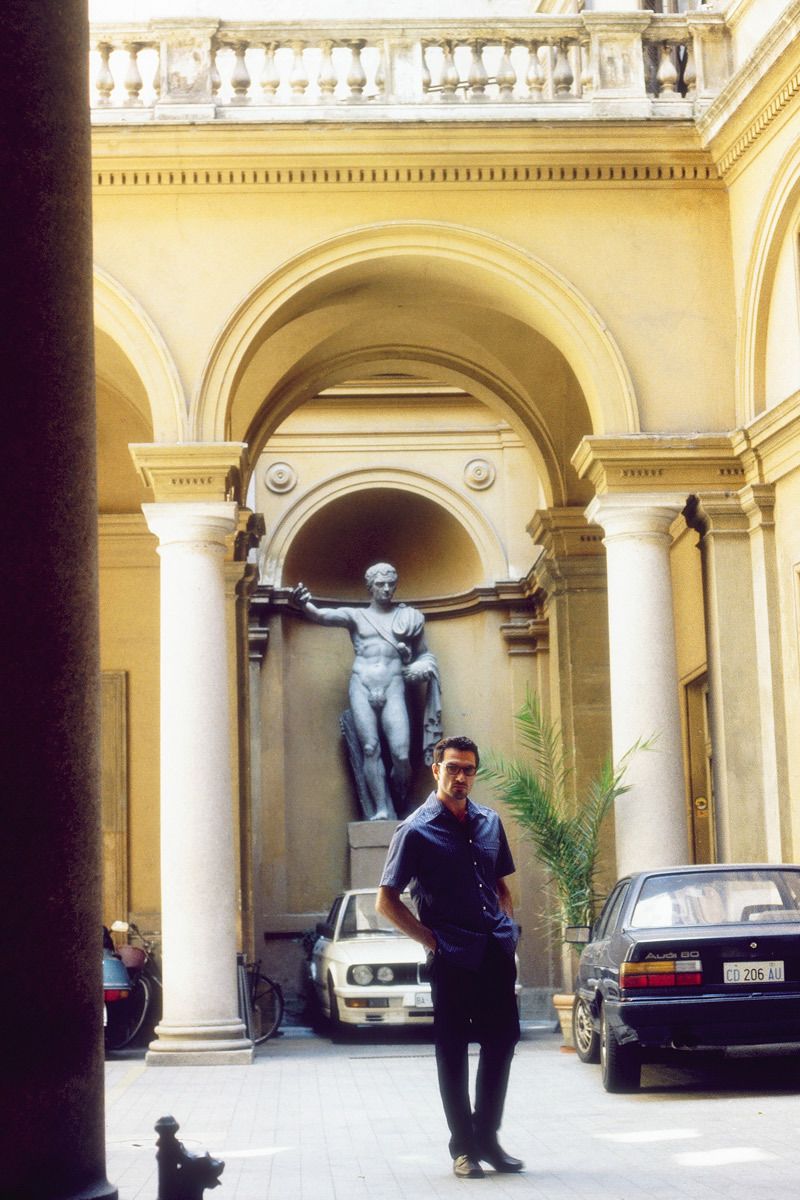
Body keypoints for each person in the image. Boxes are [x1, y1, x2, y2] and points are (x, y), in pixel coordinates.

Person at [376, 735, 523, 1179]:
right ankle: (463, 1149)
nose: (461, 776)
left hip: (494, 953)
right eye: (453, 768)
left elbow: (500, 886)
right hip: (453, 958)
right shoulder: (415, 830)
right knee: (453, 1051)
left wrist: (507, 930)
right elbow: (387, 901)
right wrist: (433, 941)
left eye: (469, 769)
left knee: (502, 1042)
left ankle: (488, 1139)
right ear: (436, 769)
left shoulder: (489, 822)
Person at [291, 563, 441, 820]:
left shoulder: (408, 619)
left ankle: (396, 797)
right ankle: (382, 807)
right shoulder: (357, 616)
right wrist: (305, 604)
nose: (386, 589)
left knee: (401, 754)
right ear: (370, 587)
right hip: (362, 685)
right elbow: (323, 616)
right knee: (370, 748)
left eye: (390, 584)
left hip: (394, 686)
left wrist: (419, 667)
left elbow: (425, 653)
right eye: (380, 584)